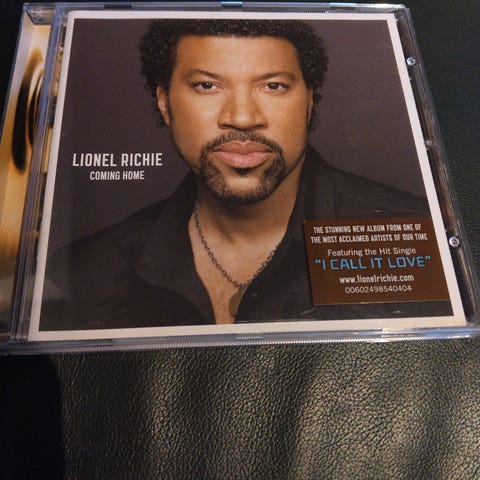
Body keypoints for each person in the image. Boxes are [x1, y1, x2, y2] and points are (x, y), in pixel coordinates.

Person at [40, 19, 448, 331]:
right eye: (207, 86)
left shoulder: (425, 239)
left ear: (310, 100)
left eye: (273, 86)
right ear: (164, 102)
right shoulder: (82, 273)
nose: (241, 117)